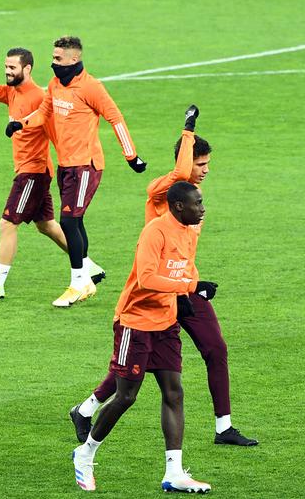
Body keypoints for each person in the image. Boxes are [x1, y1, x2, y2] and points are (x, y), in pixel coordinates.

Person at [71, 106, 257, 447]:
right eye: (200, 165)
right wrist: (188, 129)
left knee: (215, 348)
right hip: (155, 293)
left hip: (186, 289)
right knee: (134, 367)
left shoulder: (193, 202)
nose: (204, 171)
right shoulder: (161, 192)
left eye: (207, 165)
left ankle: (224, 427)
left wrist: (191, 286)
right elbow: (181, 171)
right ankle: (87, 410)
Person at [71, 182, 213, 494]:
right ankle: (85, 454)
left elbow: (183, 268)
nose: (202, 209)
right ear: (178, 206)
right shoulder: (156, 231)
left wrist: (190, 291)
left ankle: (174, 472)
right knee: (126, 396)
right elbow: (147, 278)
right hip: (134, 322)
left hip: (165, 322)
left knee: (174, 393)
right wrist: (190, 287)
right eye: (197, 203)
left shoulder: (191, 230)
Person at [9, 36, 144, 308]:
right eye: (53, 57)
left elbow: (115, 118)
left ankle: (78, 282)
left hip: (86, 165)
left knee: (69, 221)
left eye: (58, 58)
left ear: (74, 59)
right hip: (66, 165)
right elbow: (43, 113)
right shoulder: (55, 84)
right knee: (76, 221)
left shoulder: (91, 87)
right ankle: (87, 276)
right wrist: (21, 124)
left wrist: (132, 156)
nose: (53, 62)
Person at [0, 42, 70, 301]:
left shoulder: (39, 97)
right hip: (29, 170)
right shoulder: (11, 92)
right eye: (6, 67)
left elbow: (55, 134)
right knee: (46, 225)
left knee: (7, 223)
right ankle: (87, 266)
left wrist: (67, 167)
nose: (8, 72)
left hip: (33, 172)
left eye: (12, 67)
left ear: (28, 68)